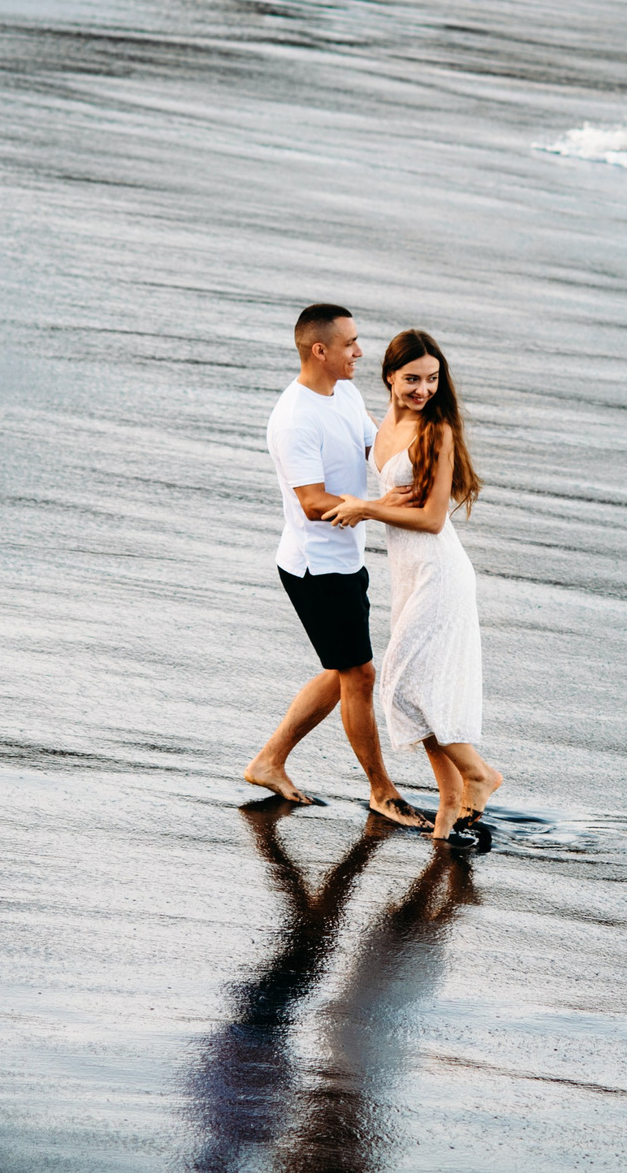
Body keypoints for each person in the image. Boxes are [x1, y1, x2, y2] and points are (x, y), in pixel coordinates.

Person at [243, 303, 429, 829]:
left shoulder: (344, 393)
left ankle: (268, 761)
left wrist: (426, 445)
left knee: (342, 669)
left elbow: (376, 448)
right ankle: (382, 792)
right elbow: (311, 501)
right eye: (350, 344)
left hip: (346, 558)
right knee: (359, 674)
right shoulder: (294, 418)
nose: (360, 352)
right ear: (319, 350)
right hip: (315, 568)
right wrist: (377, 507)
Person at [325, 329, 503, 846]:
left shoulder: (436, 431)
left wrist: (365, 509)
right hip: (407, 574)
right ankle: (449, 805)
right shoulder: (382, 425)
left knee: (403, 684)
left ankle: (479, 773)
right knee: (421, 690)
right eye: (412, 379)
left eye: (432, 379)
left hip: (439, 571)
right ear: (389, 377)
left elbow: (430, 518)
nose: (423, 389)